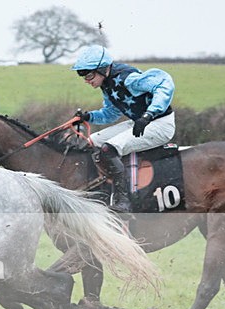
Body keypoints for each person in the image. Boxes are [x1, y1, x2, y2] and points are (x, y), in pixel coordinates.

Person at [72, 45, 175, 212]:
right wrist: (88, 116)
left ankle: (124, 201)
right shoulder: (107, 84)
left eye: (89, 75)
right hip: (139, 122)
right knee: (91, 141)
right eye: (83, 76)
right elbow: (111, 114)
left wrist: (148, 115)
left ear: (102, 69)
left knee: (109, 149)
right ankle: (101, 187)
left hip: (160, 124)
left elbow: (164, 83)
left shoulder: (127, 78)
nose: (86, 80)